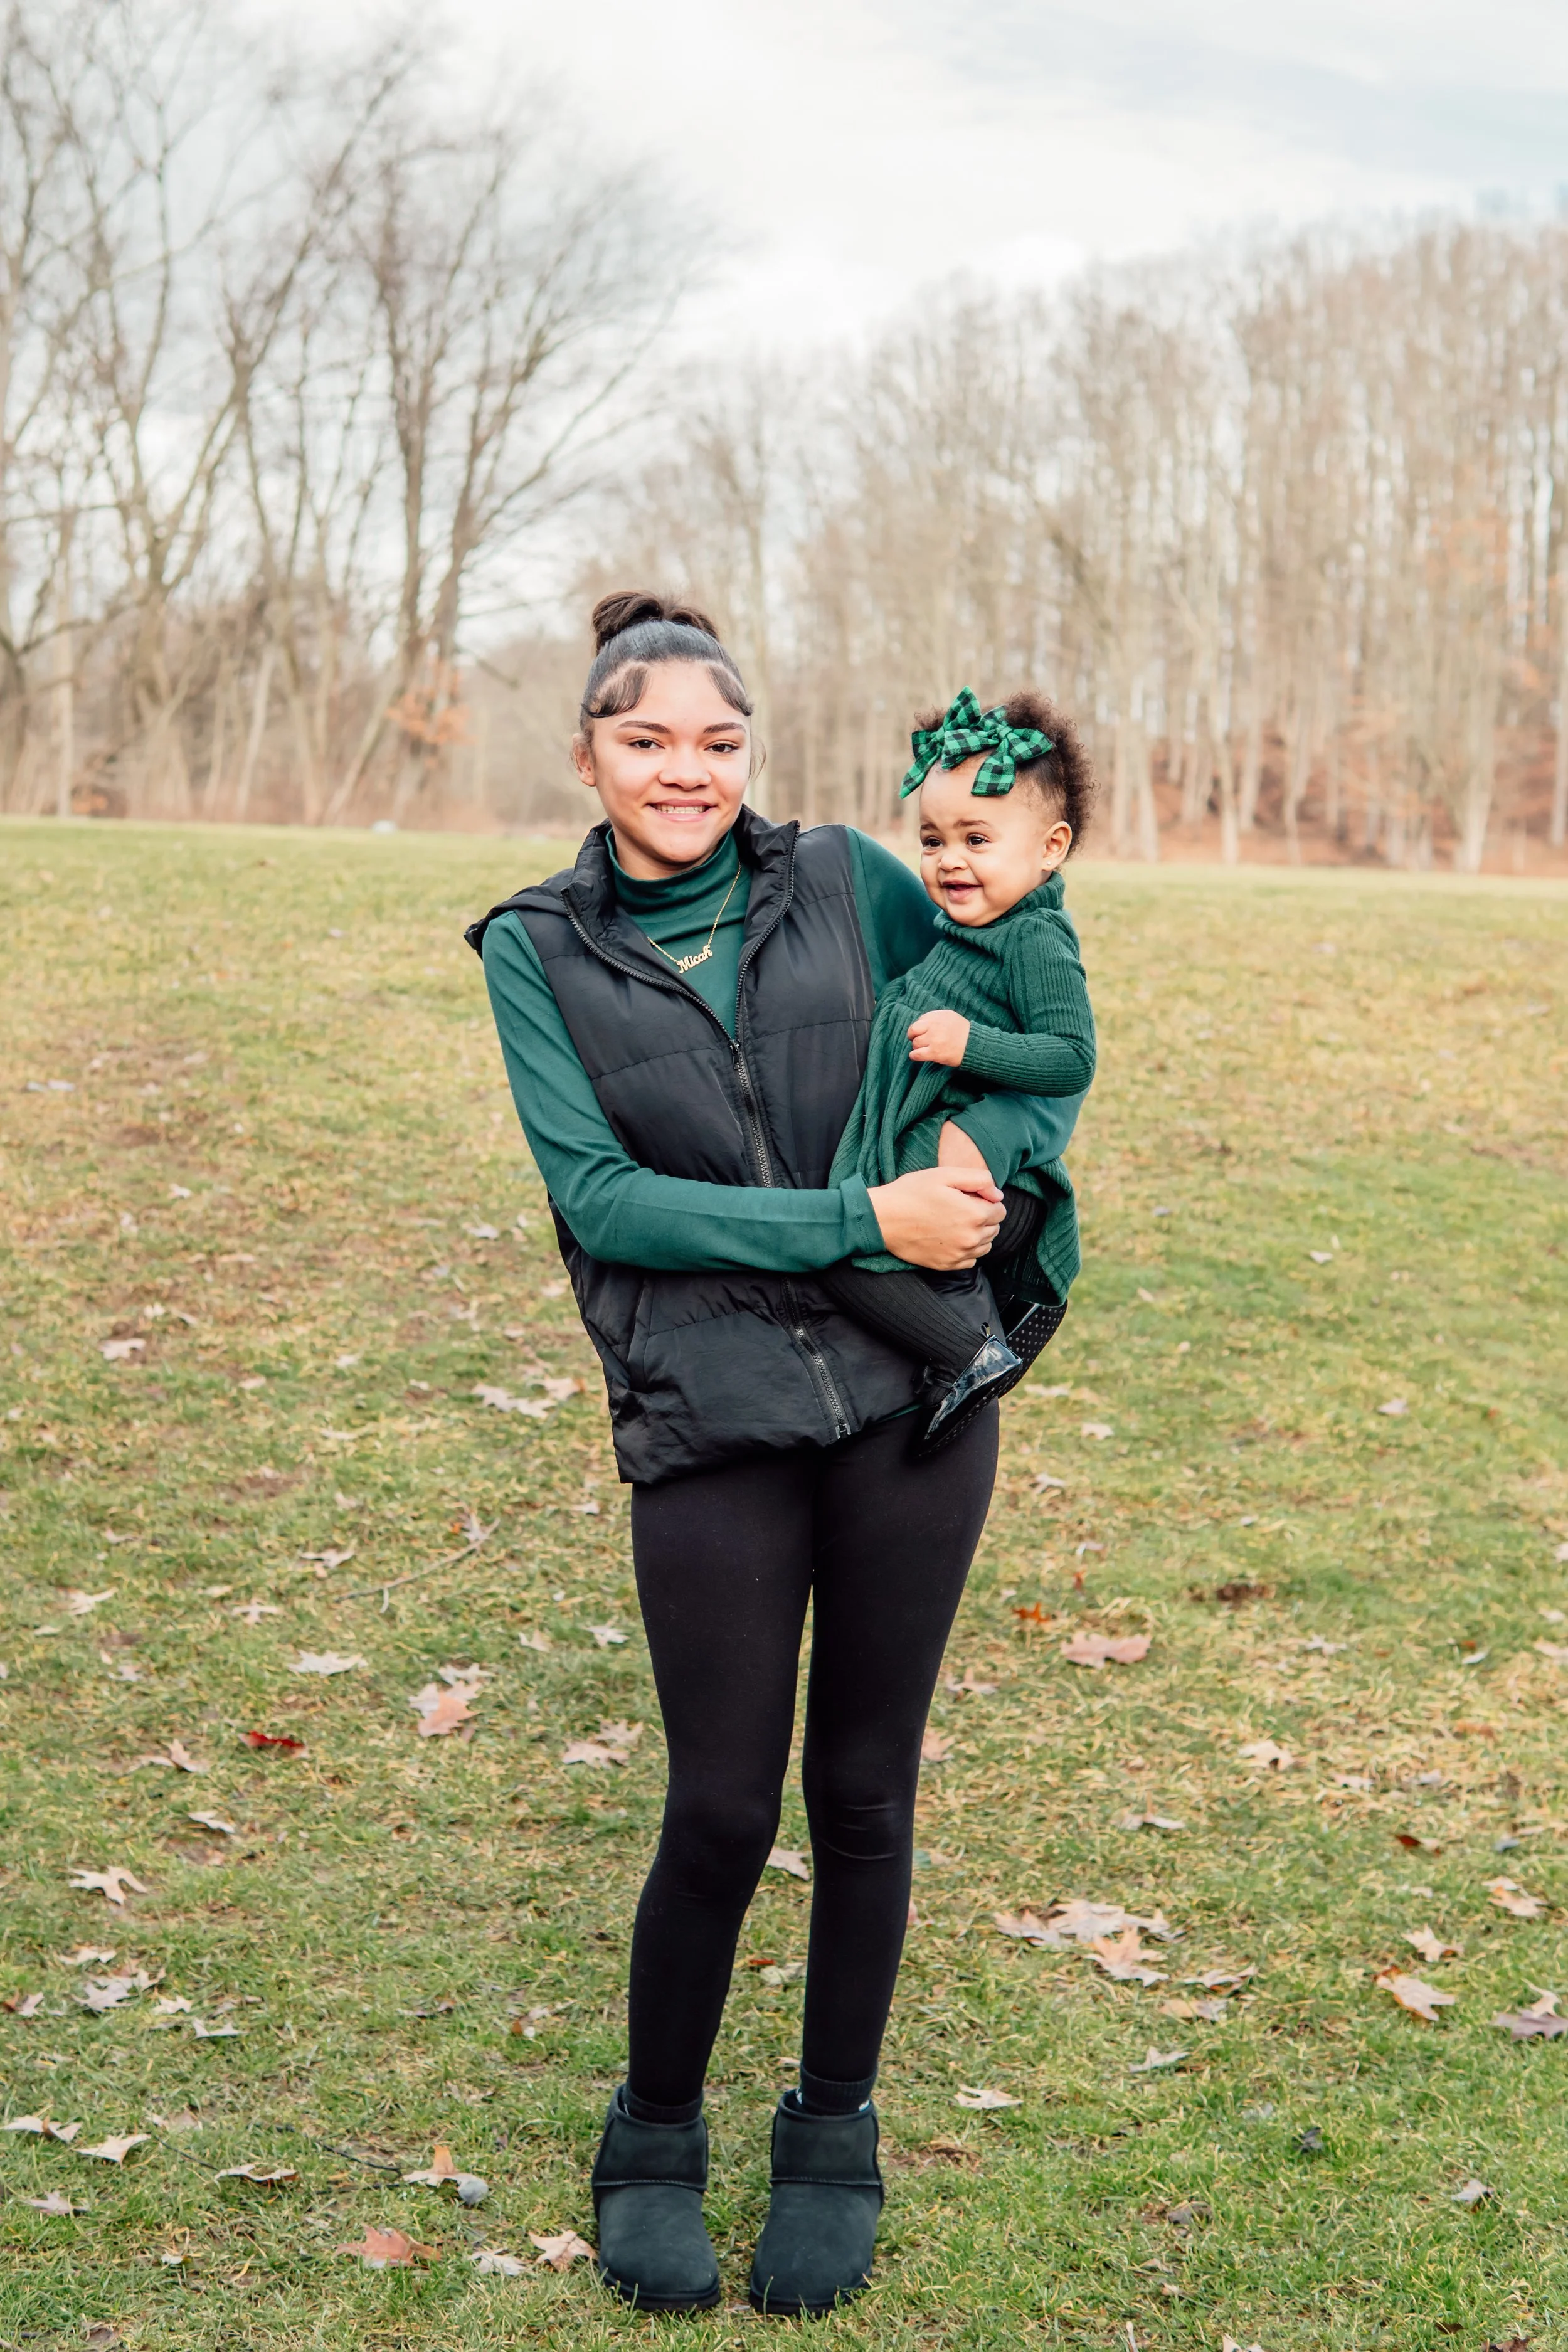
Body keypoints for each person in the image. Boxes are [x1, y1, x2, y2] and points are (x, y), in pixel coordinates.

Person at [465, 591, 1088, 2317]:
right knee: (724, 1800)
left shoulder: (849, 879)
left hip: (907, 1407)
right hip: (710, 1413)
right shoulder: (538, 943)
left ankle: (832, 2126)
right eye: (648, 740)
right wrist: (852, 1212)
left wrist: (999, 1184)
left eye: (720, 742)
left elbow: (1021, 967)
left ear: (756, 750)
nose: (688, 772)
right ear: (587, 753)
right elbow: (603, 1198)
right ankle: (651, 2127)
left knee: (866, 1789)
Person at [817, 686, 1096, 1450]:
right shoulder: (974, 925)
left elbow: (1073, 1057)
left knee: (847, 1241)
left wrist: (970, 1043)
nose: (949, 862)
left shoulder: (1035, 939)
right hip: (925, 1116)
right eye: (933, 840)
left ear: (1049, 848)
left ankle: (968, 1353)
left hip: (949, 1128)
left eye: (977, 839)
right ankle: (980, 1334)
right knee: (852, 1228)